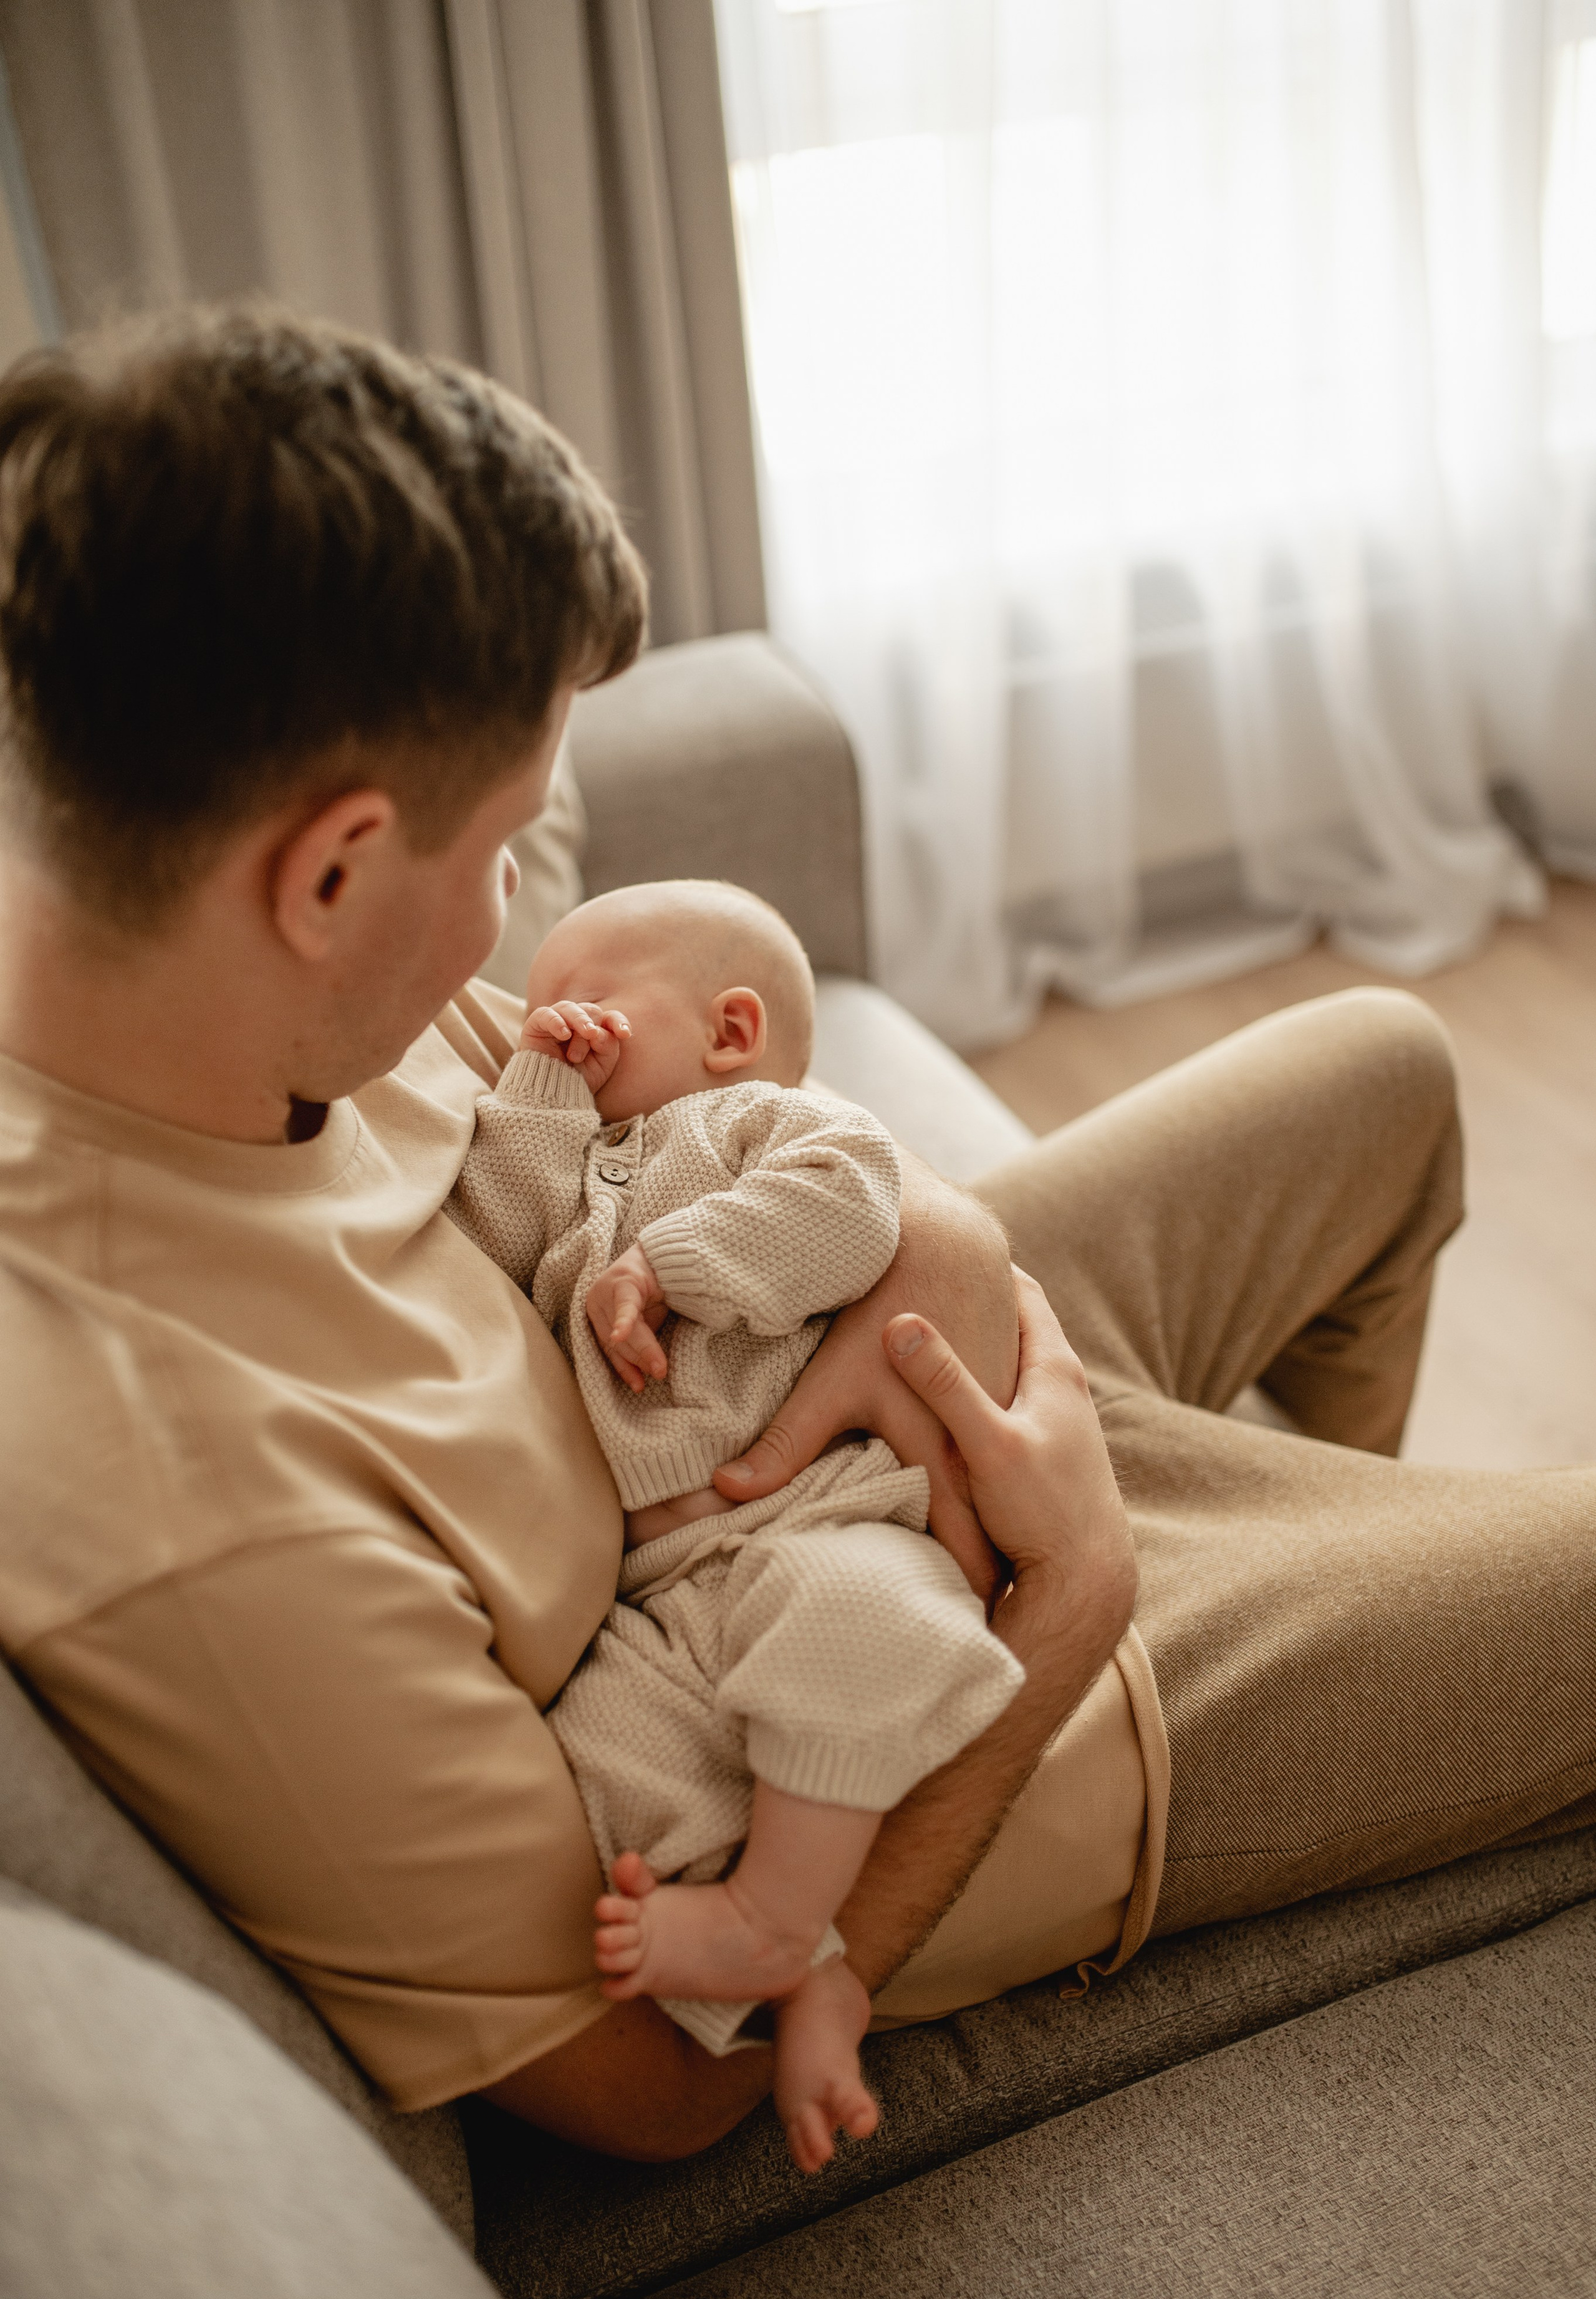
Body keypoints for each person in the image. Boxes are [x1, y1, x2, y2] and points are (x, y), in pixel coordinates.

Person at [1, 305, 1592, 2178]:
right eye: (504, 848)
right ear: (334, 871)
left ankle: (1348, 1545)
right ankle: (1329, 1667)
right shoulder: (192, 1504)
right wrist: (1072, 1592)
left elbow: (685, 1143)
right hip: (905, 1683)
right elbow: (647, 2078)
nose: (512, 913)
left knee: (1383, 1070)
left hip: (845, 1396)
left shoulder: (201, 995)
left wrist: (939, 1260)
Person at [446, 876, 1026, 2171]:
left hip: (819, 1528)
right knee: (603, 1769)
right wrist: (537, 1090)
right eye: (541, 1014)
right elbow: (489, 1235)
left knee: (859, 1624)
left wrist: (669, 1265)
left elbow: (849, 1206)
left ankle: (771, 1916)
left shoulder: (766, 1123)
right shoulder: (566, 1160)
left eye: (585, 1006)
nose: (555, 1026)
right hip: (661, 1591)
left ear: (728, 1030)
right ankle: (808, 1971)